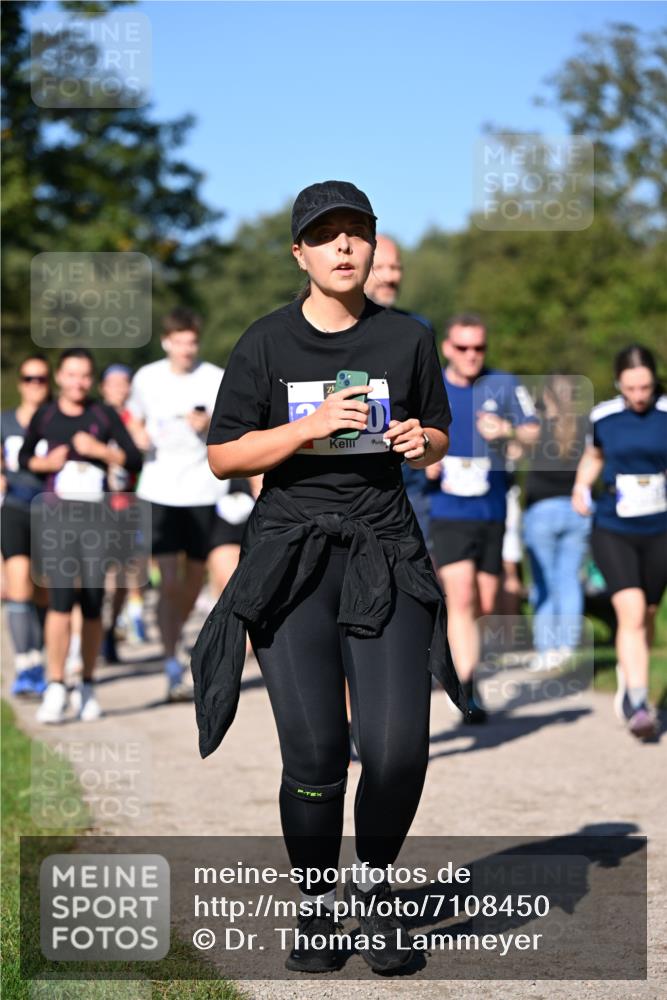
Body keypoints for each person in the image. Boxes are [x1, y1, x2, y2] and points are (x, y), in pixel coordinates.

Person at [191, 180, 467, 974]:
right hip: (291, 558)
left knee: (396, 751)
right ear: (300, 253)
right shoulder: (265, 343)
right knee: (314, 756)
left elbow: (438, 430)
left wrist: (424, 442)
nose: (345, 247)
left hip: (384, 551)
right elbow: (222, 456)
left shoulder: (408, 339)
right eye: (327, 236)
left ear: (375, 246)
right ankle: (318, 907)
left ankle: (375, 891)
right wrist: (306, 428)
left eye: (357, 233)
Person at [18, 348, 143, 724]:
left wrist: (102, 451)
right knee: (59, 599)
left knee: (91, 602)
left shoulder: (102, 414)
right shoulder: (47, 415)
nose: (79, 382)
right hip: (57, 517)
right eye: (72, 375)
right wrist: (47, 463)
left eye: (85, 375)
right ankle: (56, 685)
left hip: (96, 518)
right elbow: (24, 459)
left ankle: (87, 684)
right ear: (60, 377)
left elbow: (135, 458)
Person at [426, 314, 539, 721]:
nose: (472, 355)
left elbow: (533, 431)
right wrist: (424, 461)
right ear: (448, 349)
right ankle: (466, 690)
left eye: (479, 348)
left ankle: (455, 661)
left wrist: (508, 430)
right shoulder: (431, 384)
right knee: (462, 597)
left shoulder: (503, 384)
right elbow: (405, 432)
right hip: (448, 508)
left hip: (491, 507)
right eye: (463, 348)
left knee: (485, 603)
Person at [127, 309, 224, 700]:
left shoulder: (214, 377)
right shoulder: (147, 377)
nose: (186, 348)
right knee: (168, 582)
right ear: (167, 341)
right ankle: (171, 660)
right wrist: (137, 436)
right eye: (179, 341)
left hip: (203, 490)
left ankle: (178, 635)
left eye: (192, 341)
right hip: (159, 489)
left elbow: (233, 426)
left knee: (194, 581)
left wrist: (208, 425)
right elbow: (132, 417)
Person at [573, 345, 666, 740]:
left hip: (660, 528)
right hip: (614, 526)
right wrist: (580, 486)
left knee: (646, 613)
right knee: (629, 610)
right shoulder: (604, 416)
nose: (639, 395)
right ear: (619, 385)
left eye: (645, 386)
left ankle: (632, 673)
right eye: (631, 388)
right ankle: (639, 704)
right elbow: (594, 455)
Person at [364, 234, 433, 545]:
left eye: (396, 268)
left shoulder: (419, 329)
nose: (391, 276)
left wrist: (432, 446)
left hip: (409, 483)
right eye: (382, 268)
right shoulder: (326, 328)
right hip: (351, 480)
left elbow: (432, 406)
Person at [523, 374, 590, 668]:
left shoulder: (537, 428)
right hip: (578, 510)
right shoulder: (587, 427)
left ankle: (546, 650)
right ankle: (568, 647)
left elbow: (513, 447)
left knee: (544, 583)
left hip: (542, 512)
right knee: (569, 580)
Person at [1, 354, 51, 696]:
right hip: (16, 507)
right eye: (30, 378)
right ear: (21, 383)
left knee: (44, 589)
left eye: (42, 379)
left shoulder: (55, 420)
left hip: (50, 508)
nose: (35, 385)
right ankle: (25, 665)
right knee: (18, 581)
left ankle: (42, 657)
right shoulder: (4, 422)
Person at [98, 363, 148, 660]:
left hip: (129, 501)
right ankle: (93, 630)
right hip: (96, 502)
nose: (118, 388)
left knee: (124, 570)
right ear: (103, 387)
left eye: (124, 383)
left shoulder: (135, 418)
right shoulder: (93, 416)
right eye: (112, 383)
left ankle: (109, 628)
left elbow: (143, 448)